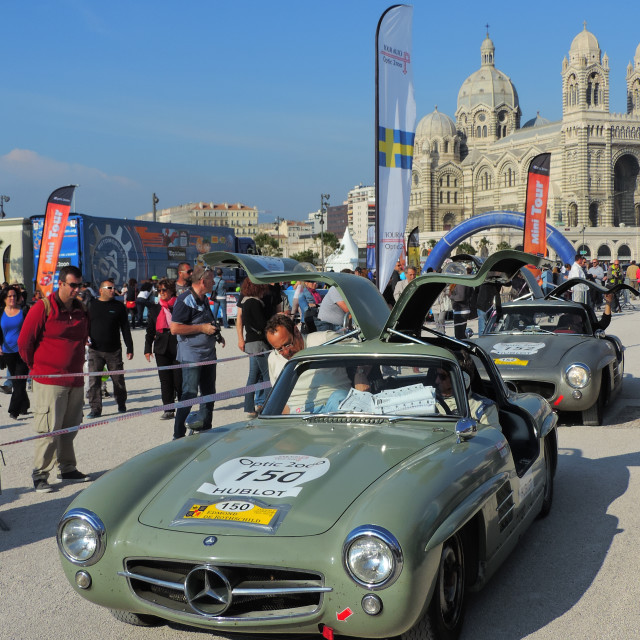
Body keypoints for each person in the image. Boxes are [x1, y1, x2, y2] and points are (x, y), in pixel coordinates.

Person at [18, 265, 90, 493]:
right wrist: (36, 367)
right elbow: (24, 341)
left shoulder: (81, 309)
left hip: (75, 379)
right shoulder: (43, 307)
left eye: (79, 285)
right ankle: (40, 474)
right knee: (48, 429)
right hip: (49, 380)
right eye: (73, 285)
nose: (77, 290)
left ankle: (67, 468)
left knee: (70, 428)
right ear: (60, 284)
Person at [170, 264, 225, 439]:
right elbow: (175, 328)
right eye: (212, 280)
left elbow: (206, 321)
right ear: (203, 281)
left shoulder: (203, 299)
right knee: (190, 394)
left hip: (208, 354)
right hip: (191, 356)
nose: (214, 282)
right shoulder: (185, 300)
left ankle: (205, 429)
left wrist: (216, 334)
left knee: (209, 393)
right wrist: (202, 328)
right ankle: (178, 434)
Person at [264, 314, 354, 414]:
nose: (285, 352)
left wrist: (361, 374)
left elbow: (359, 350)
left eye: (287, 344)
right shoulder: (273, 358)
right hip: (299, 411)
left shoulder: (324, 340)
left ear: (296, 331)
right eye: (279, 349)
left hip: (333, 401)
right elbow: (279, 397)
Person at [86, 279, 133, 418]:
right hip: (95, 350)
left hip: (114, 350)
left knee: (118, 380)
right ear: (101, 290)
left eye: (114, 288)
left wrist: (129, 347)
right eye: (109, 288)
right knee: (94, 381)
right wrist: (84, 337)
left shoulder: (119, 306)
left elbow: (125, 328)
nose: (113, 290)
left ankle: (121, 403)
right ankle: (95, 409)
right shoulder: (91, 305)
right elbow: (84, 324)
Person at [144, 278, 182, 420]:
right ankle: (168, 409)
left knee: (179, 379)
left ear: (172, 290)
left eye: (164, 290)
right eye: (159, 290)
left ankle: (183, 406)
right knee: (165, 380)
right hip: (161, 348)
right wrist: (147, 349)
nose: (161, 293)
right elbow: (149, 330)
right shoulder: (155, 308)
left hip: (178, 346)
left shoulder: (179, 305)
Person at [236, 278, 271, 418]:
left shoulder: (245, 302)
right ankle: (269, 405)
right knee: (267, 375)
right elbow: (261, 324)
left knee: (253, 376)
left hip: (250, 341)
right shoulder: (255, 303)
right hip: (259, 343)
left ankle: (249, 407)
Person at [0, 286, 30, 419]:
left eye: (14, 296)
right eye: (9, 296)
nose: (12, 298)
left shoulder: (23, 311)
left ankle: (14, 410)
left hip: (22, 351)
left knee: (19, 380)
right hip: (7, 351)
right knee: (17, 380)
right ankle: (24, 405)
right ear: (5, 298)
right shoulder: (1, 312)